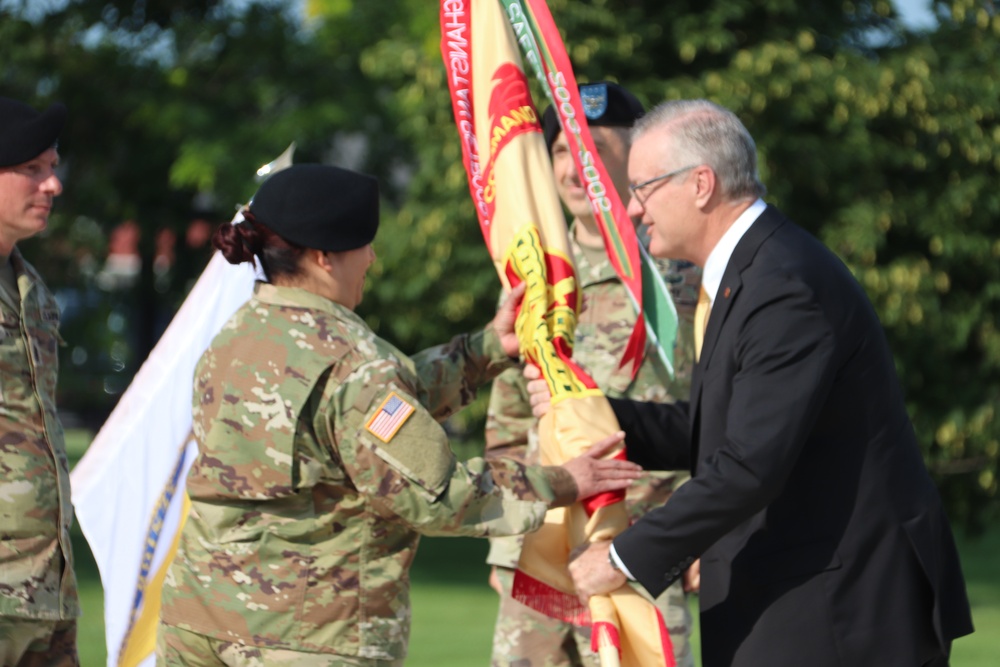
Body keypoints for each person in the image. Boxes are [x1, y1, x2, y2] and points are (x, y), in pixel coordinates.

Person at [541, 99, 975, 666]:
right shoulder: (750, 269)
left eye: (643, 188)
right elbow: (717, 428)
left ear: (701, 184)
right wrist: (587, 408)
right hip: (806, 594)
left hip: (838, 608)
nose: (632, 207)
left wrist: (621, 558)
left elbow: (748, 465)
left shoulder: (781, 285)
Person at [155, 164, 642, 666]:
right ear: (325, 257)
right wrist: (564, 481)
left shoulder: (234, 339)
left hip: (197, 619)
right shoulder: (352, 361)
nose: (371, 258)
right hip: (305, 636)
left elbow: (356, 415)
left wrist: (485, 349)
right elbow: (442, 497)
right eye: (363, 245)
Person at [484, 82, 698, 667]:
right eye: (562, 151)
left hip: (639, 543)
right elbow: (507, 418)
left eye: (598, 147)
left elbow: (717, 412)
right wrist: (506, 540)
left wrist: (703, 532)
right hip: (541, 548)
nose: (578, 167)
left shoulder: (678, 276)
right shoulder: (532, 279)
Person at [0, 96, 79, 666]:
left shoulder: (33, 291)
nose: (52, 186)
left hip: (45, 590)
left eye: (52, 168)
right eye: (32, 169)